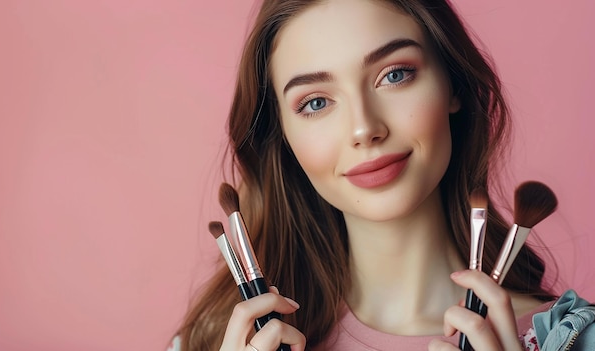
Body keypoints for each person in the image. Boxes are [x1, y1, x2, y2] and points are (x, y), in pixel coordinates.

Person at [172, 0, 595, 350]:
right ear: (283, 137)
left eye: (394, 75)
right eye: (316, 103)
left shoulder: (575, 337)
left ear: (453, 85)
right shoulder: (213, 343)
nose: (364, 129)